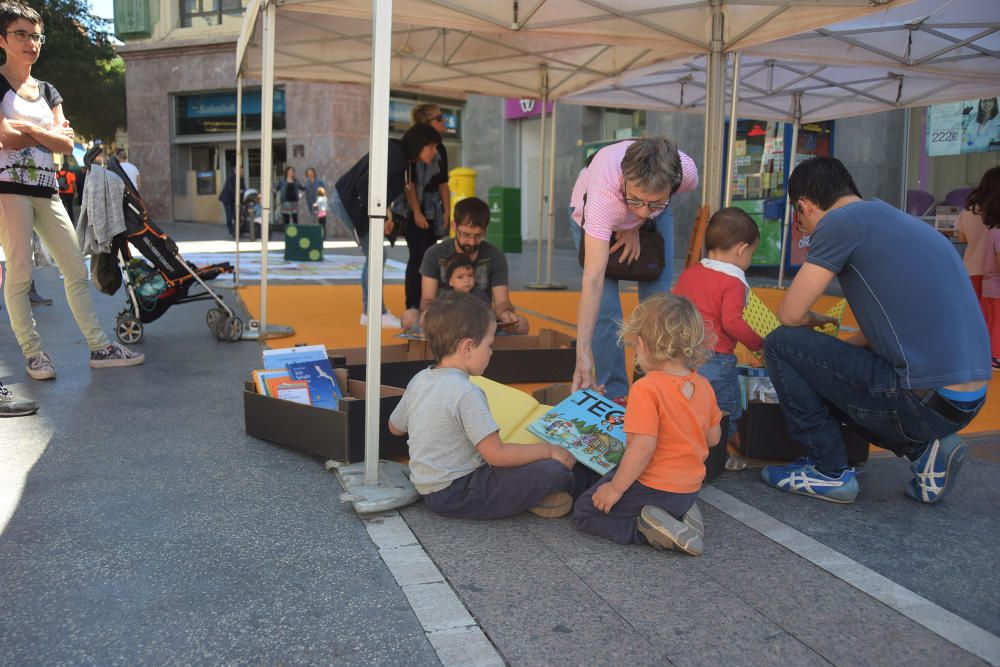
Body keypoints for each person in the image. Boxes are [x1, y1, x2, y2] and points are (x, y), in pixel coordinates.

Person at [760, 157, 990, 504]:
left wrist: (814, 329)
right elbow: (884, 332)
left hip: (922, 398)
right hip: (965, 398)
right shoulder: (897, 221)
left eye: (799, 220)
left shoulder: (838, 223)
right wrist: (821, 357)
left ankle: (827, 470)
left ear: (803, 206)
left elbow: (790, 314)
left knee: (780, 344)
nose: (802, 229)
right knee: (816, 365)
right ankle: (925, 452)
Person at [0, 1, 144, 380]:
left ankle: (99, 347)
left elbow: (66, 145)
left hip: (47, 191)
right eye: (21, 35)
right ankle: (34, 354)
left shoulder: (48, 91)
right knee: (19, 273)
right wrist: (42, 134)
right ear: (2, 40)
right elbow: (3, 135)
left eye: (35, 36)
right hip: (8, 189)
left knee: (75, 270)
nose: (31, 43)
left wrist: (26, 130)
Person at [388, 291, 577, 519]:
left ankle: (532, 498)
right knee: (552, 470)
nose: (491, 352)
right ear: (467, 348)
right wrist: (549, 450)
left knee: (522, 464)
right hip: (460, 491)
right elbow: (496, 455)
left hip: (428, 487)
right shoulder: (466, 391)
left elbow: (395, 427)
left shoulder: (420, 379)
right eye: (489, 345)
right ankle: (539, 495)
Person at [573, 295, 722, 555]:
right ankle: (680, 516)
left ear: (642, 344)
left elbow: (643, 447)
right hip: (687, 491)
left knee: (586, 510)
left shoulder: (647, 388)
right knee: (612, 486)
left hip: (655, 489)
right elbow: (713, 439)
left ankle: (648, 530)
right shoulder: (704, 386)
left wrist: (615, 489)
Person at [570, 136, 700, 402]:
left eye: (654, 201)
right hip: (594, 212)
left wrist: (639, 225)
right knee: (607, 311)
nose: (641, 211)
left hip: (652, 220)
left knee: (658, 303)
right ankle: (614, 393)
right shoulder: (603, 194)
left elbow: (646, 208)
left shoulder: (685, 172)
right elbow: (592, 280)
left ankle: (654, 388)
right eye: (636, 201)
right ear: (625, 180)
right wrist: (582, 353)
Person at [673, 207, 763, 470]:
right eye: (751, 254)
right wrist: (759, 344)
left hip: (683, 356)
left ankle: (684, 449)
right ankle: (718, 455)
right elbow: (733, 322)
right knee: (724, 407)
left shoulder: (690, 273)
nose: (749, 259)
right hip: (716, 358)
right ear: (741, 249)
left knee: (686, 404)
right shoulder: (732, 282)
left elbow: (674, 308)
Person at [331, 123, 442, 328]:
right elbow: (366, 186)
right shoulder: (398, 158)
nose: (434, 153)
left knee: (376, 255)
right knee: (376, 255)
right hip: (348, 202)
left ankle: (372, 311)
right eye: (432, 147)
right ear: (420, 144)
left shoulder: (401, 157)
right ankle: (373, 312)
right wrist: (379, 219)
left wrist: (386, 217)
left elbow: (381, 191)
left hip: (349, 200)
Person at [411, 197, 529, 334]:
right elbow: (427, 299)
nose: (472, 242)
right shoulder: (434, 253)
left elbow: (501, 301)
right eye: (466, 235)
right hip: (444, 320)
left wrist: (506, 313)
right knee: (409, 317)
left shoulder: (495, 255)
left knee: (522, 324)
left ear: (485, 230)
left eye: (478, 236)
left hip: (481, 321)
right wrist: (428, 312)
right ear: (454, 226)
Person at [399, 104, 452, 316]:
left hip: (433, 209)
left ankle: (429, 302)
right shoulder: (412, 148)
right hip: (415, 210)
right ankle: (412, 304)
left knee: (432, 255)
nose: (443, 121)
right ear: (425, 123)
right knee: (418, 256)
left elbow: (443, 183)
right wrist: (417, 212)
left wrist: (447, 210)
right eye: (439, 118)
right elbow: (408, 183)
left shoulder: (441, 148)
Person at [957, 166, 1000, 309]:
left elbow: (961, 238)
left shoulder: (969, 210)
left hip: (971, 270)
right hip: (993, 276)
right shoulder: (994, 211)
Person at [981, 191, 1000, 370]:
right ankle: (996, 357)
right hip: (997, 286)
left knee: (991, 321)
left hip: (988, 284)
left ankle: (987, 353)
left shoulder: (991, 231)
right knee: (998, 323)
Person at [219, 166, 245, 237]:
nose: (242, 173)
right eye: (241, 171)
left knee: (236, 215)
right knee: (229, 214)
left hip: (234, 199)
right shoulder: (231, 177)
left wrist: (244, 192)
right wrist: (238, 191)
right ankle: (231, 230)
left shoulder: (241, 178)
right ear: (236, 170)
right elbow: (230, 187)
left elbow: (244, 187)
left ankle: (237, 230)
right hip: (227, 198)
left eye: (242, 172)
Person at [55, 155, 75, 220]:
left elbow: (55, 183)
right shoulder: (71, 173)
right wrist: (76, 192)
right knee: (70, 206)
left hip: (61, 192)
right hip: (69, 192)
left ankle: (63, 219)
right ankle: (71, 219)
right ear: (68, 167)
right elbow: (73, 183)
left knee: (62, 207)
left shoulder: (57, 173)